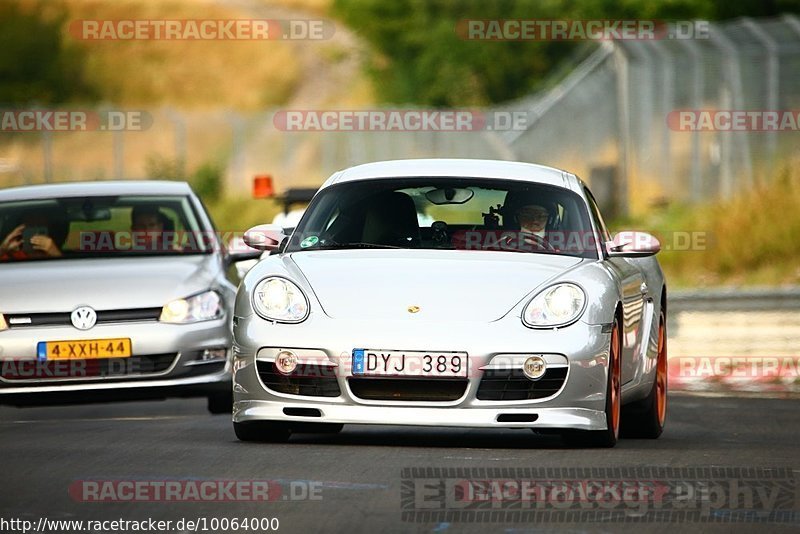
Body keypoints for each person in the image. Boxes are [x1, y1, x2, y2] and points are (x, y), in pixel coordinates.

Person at [0, 212, 65, 260]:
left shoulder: (70, 254)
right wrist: (2, 249)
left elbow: (68, 275)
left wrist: (55, 253)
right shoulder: (12, 256)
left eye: (39, 224)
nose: (34, 232)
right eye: (30, 225)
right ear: (21, 229)